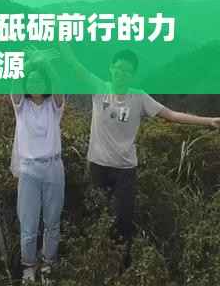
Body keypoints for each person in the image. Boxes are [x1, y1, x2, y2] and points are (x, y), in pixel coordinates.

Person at [55, 46, 220, 268]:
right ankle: (95, 265)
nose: (121, 74)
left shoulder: (139, 97)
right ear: (111, 68)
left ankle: (121, 268)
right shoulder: (99, 87)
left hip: (125, 171)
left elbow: (171, 115)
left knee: (123, 221)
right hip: (97, 167)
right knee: (96, 216)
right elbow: (76, 67)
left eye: (127, 71)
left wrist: (208, 121)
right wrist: (64, 48)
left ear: (132, 74)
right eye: (118, 68)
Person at [10, 56, 66, 285]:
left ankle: (48, 264)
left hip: (53, 167)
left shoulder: (54, 106)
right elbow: (14, 84)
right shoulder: (21, 107)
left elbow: (59, 85)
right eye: (31, 81)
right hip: (29, 169)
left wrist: (46, 63)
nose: (35, 85)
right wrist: (28, 63)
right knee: (29, 222)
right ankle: (28, 266)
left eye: (39, 81)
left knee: (52, 221)